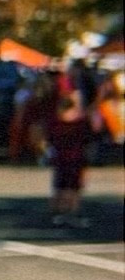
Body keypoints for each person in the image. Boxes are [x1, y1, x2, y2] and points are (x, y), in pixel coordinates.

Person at [47, 81, 95, 229]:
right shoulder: (81, 122)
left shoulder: (55, 121)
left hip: (60, 157)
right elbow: (90, 136)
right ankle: (72, 213)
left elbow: (50, 138)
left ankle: (57, 213)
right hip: (77, 157)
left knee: (60, 185)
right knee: (74, 187)